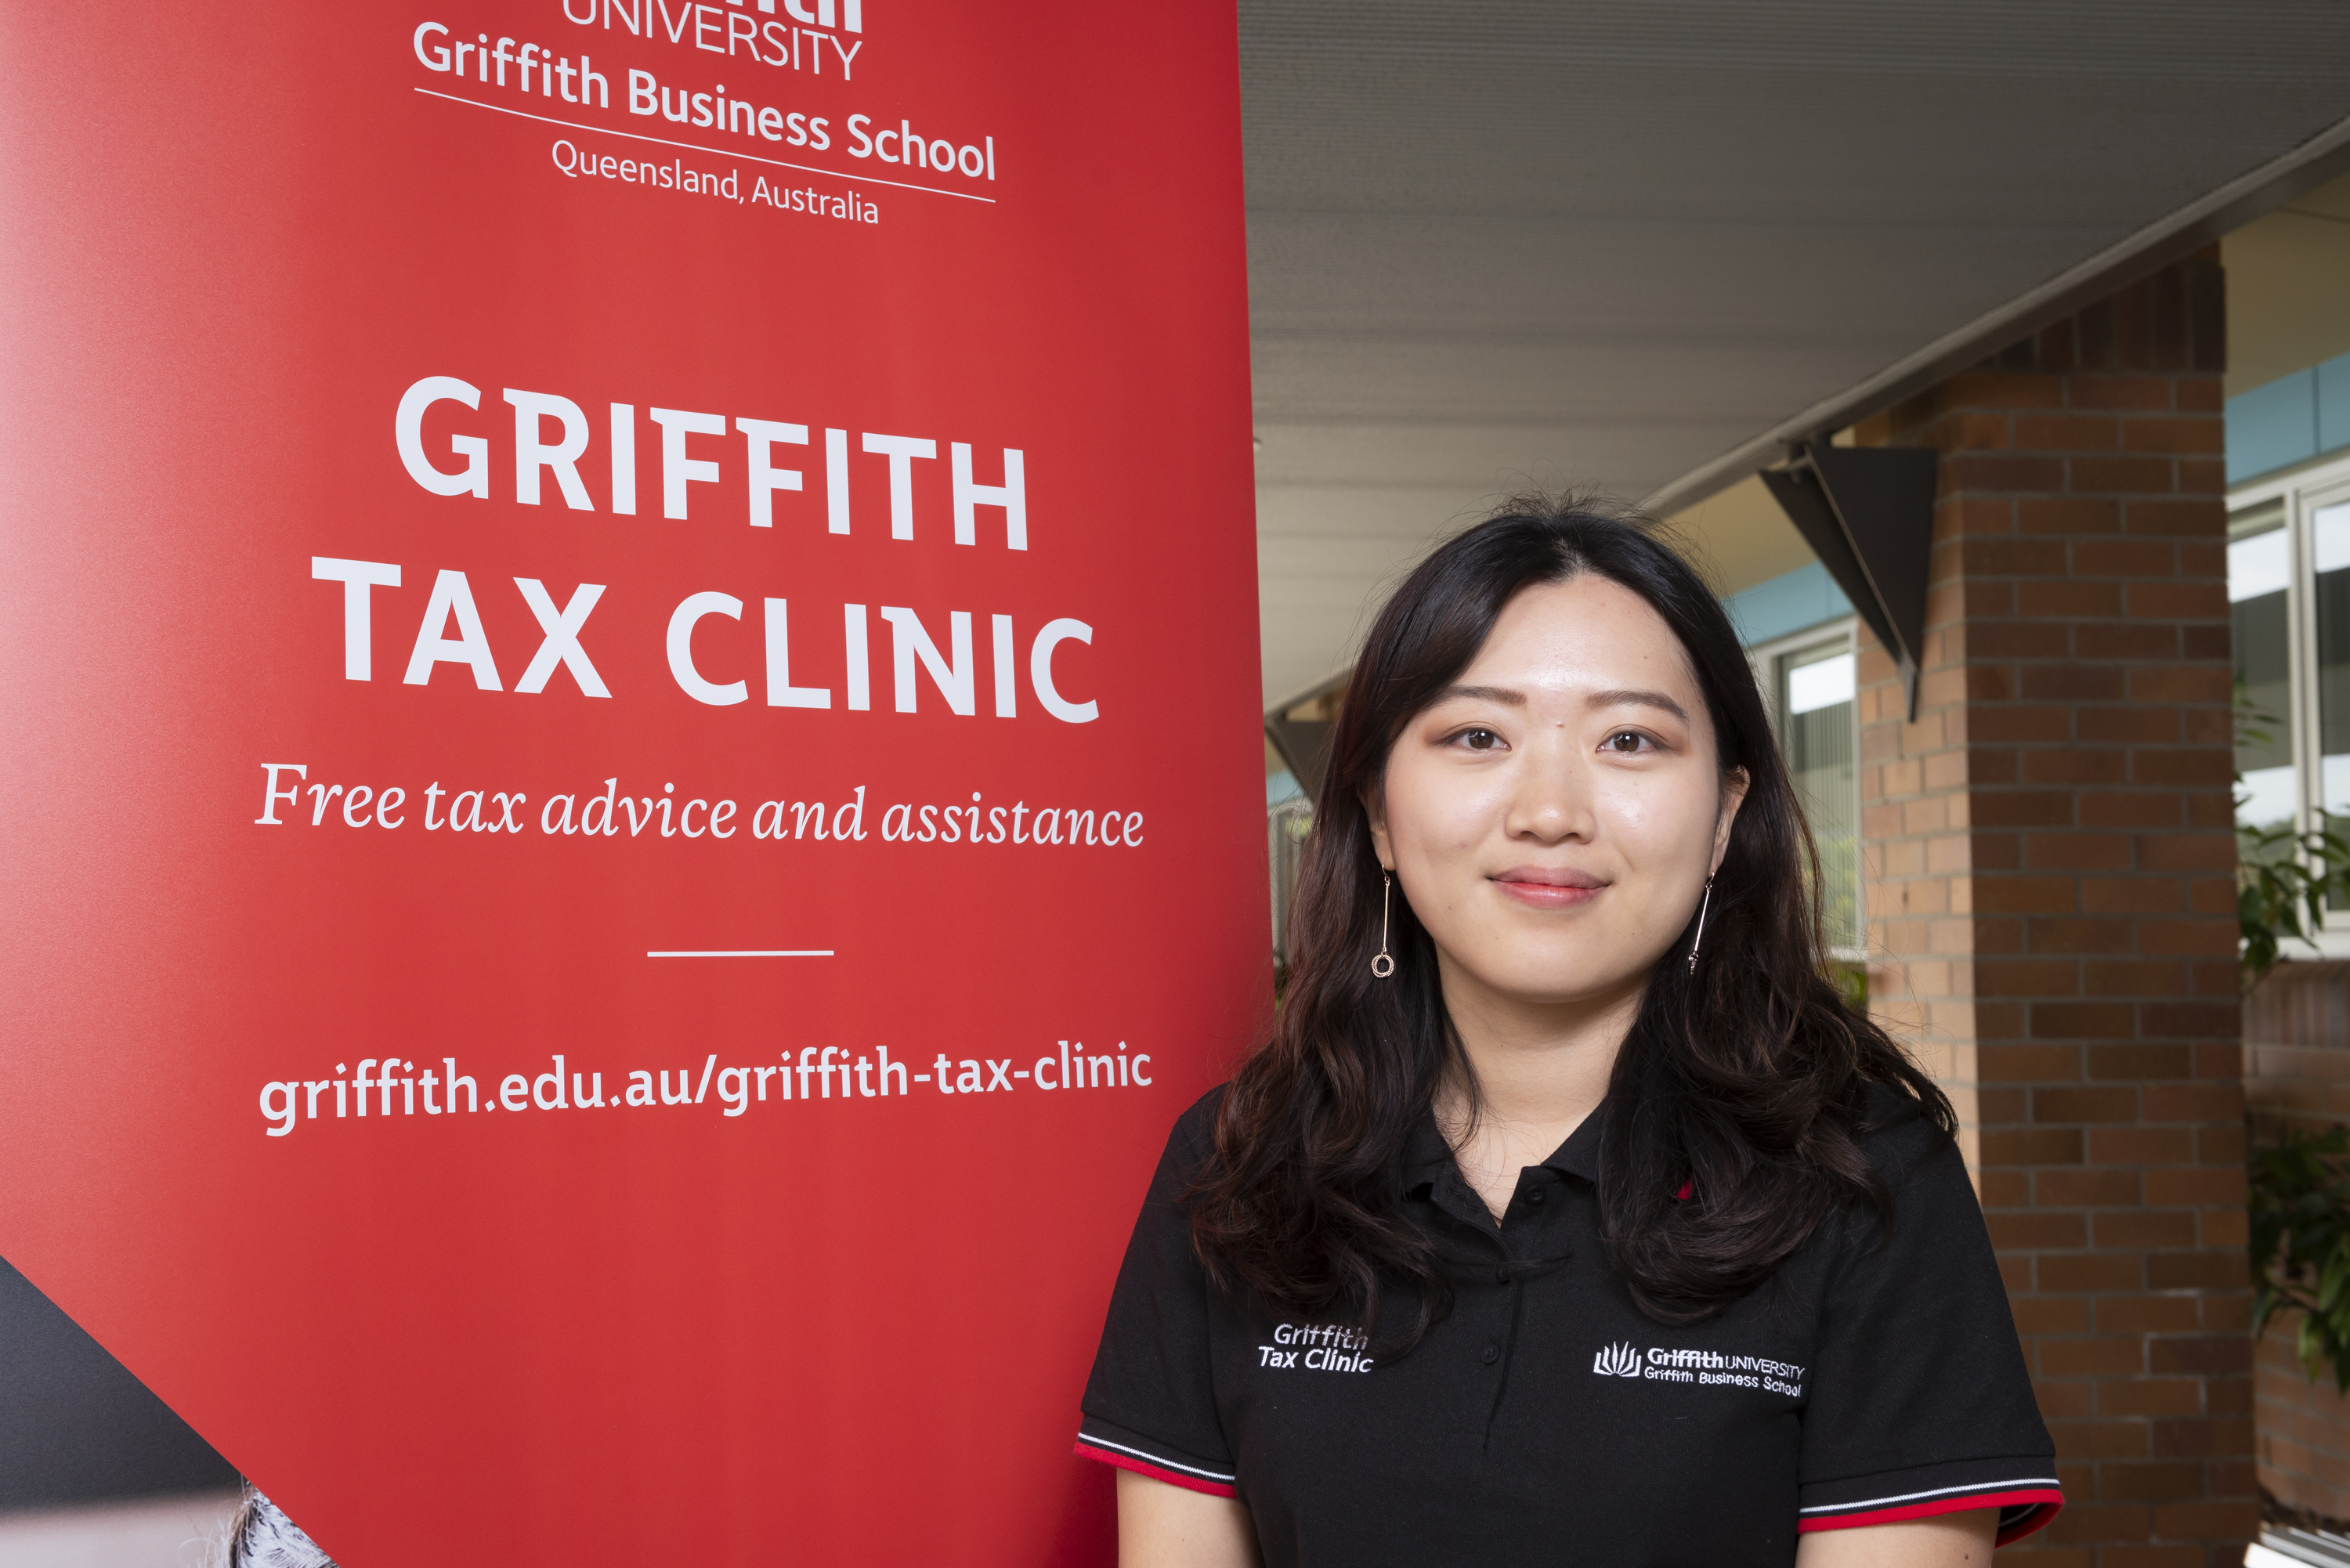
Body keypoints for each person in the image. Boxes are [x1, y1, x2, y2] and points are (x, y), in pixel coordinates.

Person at [1075, 497, 2060, 1566]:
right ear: (1378, 812)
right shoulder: (1241, 1167)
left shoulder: (1865, 1177)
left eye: (1629, 739)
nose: (1551, 811)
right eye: (1477, 736)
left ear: (1726, 814)